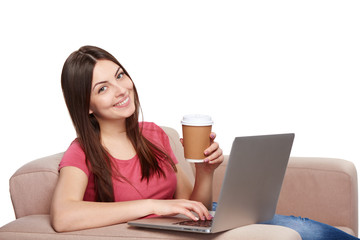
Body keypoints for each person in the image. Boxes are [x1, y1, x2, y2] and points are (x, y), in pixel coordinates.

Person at [51, 46, 359, 240]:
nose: (121, 89)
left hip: (193, 223)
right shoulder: (80, 152)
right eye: (103, 88)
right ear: (86, 104)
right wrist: (152, 206)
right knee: (296, 232)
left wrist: (206, 172)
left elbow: (193, 204)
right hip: (155, 231)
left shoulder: (152, 134)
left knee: (303, 226)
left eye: (120, 76)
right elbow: (64, 216)